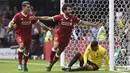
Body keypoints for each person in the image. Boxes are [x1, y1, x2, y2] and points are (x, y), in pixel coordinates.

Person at [31, 4, 98, 72]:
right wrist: (37, 18)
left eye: (71, 9)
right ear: (64, 10)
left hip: (66, 38)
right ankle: (50, 61)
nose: (70, 11)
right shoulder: (60, 17)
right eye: (69, 10)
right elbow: (48, 18)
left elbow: (83, 22)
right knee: (55, 46)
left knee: (58, 53)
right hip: (59, 34)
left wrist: (93, 24)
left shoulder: (73, 18)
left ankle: (51, 64)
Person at [6, 1, 50, 72]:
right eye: (28, 7)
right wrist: (9, 27)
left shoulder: (31, 16)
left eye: (29, 7)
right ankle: (20, 63)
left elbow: (39, 23)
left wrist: (48, 28)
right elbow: (12, 22)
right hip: (19, 35)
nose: (29, 9)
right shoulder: (18, 15)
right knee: (21, 46)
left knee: (26, 51)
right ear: (23, 7)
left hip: (28, 36)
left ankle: (25, 65)